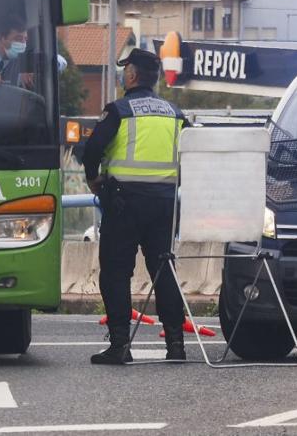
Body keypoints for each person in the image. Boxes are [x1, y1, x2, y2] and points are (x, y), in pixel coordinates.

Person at [81, 48, 189, 364]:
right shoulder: (175, 113)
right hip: (166, 205)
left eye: (124, 69)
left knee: (115, 272)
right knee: (164, 270)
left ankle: (119, 345)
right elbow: (193, 152)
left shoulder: (119, 110)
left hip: (124, 203)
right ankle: (176, 346)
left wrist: (92, 180)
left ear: (131, 75)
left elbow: (92, 150)